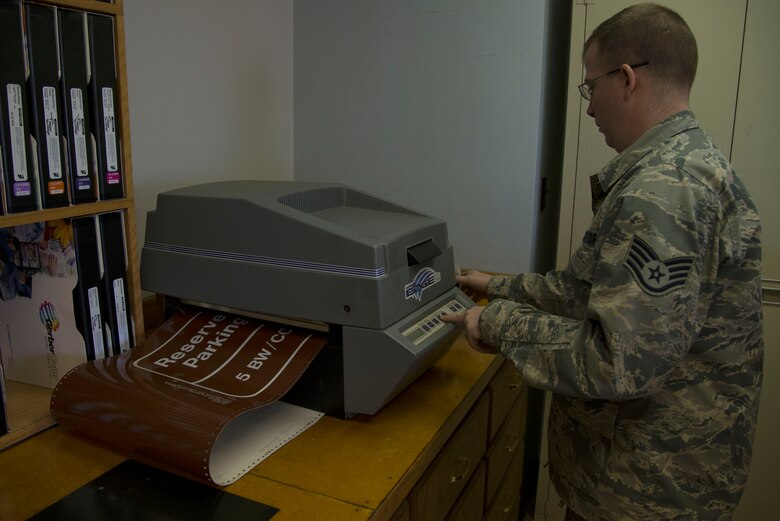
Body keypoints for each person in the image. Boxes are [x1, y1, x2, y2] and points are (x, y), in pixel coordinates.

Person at [442, 4, 763, 520]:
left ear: (628, 79)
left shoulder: (664, 190)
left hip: (644, 493)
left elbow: (620, 362)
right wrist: (496, 286)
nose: (589, 108)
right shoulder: (686, 165)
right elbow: (588, 292)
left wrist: (495, 322)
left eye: (590, 88)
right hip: (654, 480)